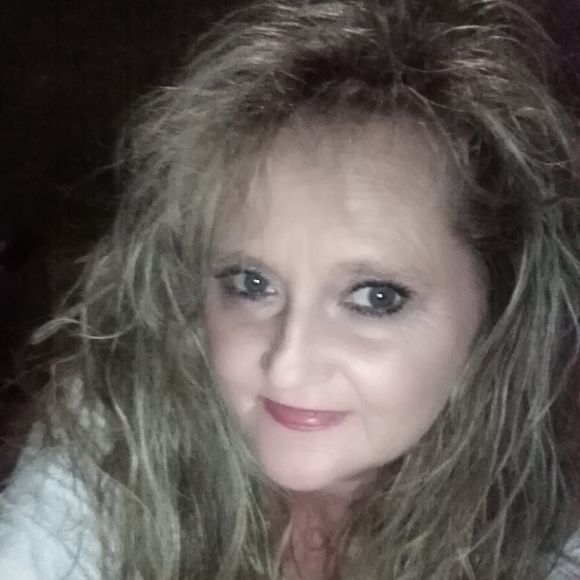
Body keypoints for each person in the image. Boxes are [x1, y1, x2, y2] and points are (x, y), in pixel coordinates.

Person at [1, 0, 579, 578]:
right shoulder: (111, 448)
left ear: (496, 306)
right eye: (251, 284)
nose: (286, 366)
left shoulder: (543, 538)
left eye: (375, 297)